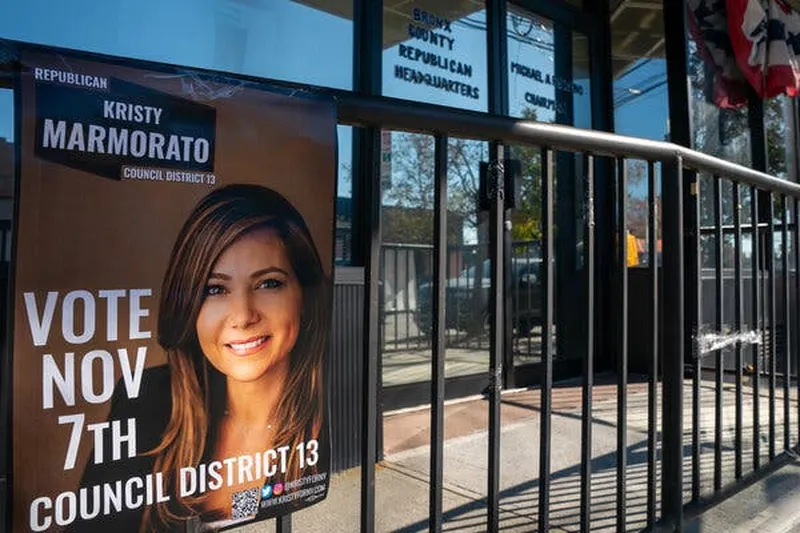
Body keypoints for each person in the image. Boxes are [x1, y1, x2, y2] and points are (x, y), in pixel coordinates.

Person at [68, 184, 331, 533]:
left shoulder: (325, 419)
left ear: (304, 294)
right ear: (189, 304)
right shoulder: (146, 399)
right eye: (215, 289)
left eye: (268, 283)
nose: (242, 316)